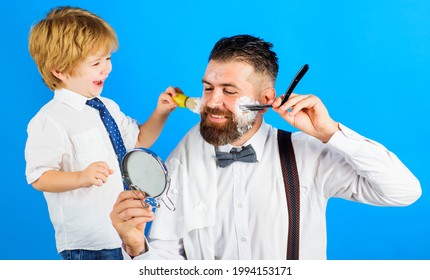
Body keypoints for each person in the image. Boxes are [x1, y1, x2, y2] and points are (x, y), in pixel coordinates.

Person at [110, 34, 421, 260]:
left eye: (229, 91)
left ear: (265, 100)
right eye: (208, 88)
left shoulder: (306, 155)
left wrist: (331, 133)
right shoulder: (182, 158)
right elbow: (167, 255)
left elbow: (403, 191)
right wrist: (137, 246)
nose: (212, 101)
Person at [24, 6, 177, 260]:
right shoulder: (50, 119)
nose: (106, 69)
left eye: (107, 59)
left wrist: (161, 111)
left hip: (125, 235)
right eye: (96, 63)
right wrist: (81, 177)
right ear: (59, 70)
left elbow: (138, 140)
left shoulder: (107, 106)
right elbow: (39, 176)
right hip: (88, 243)